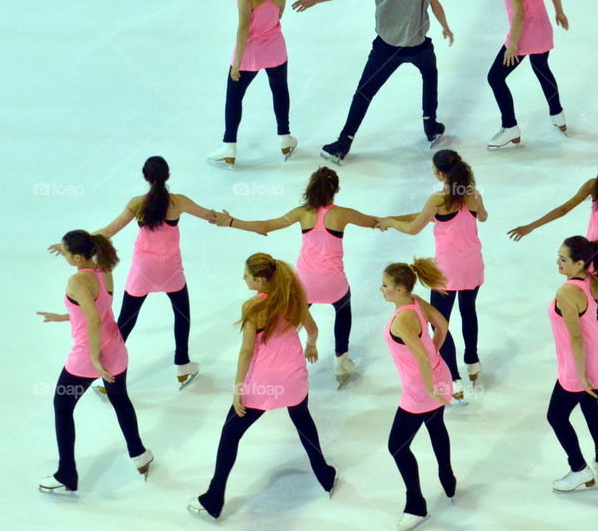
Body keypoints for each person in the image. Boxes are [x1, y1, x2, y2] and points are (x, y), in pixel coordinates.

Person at [188, 254, 337, 520]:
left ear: (259, 280)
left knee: (230, 433)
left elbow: (246, 352)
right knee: (303, 422)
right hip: (294, 378)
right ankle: (325, 475)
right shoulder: (293, 299)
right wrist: (310, 346)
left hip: (263, 384)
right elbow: (313, 330)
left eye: (246, 275)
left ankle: (214, 497)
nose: (243, 278)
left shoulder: (252, 307)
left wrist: (237, 390)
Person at [48, 156, 214, 389]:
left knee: (126, 319)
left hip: (142, 270)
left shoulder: (137, 203)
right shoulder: (179, 202)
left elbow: (108, 230)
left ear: (145, 177)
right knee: (182, 315)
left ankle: (107, 370)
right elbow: (209, 215)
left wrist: (72, 245)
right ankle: (182, 365)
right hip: (170, 269)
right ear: (168, 175)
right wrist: (225, 218)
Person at [291, 0, 454, 163]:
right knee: (430, 76)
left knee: (364, 93)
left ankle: (344, 142)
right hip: (418, 45)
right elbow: (434, 4)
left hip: (387, 49)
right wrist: (445, 26)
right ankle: (431, 125)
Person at [213, 167, 379, 387]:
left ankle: (280, 354)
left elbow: (265, 226)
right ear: (336, 189)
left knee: (294, 313)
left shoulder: (302, 213)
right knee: (343, 308)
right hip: (333, 284)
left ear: (310, 188)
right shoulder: (343, 214)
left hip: (305, 285)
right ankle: (340, 358)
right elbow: (376, 222)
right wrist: (423, 217)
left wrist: (231, 221)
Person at [508, 139, 598, 375]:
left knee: (594, 296)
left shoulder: (593, 185)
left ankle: (592, 340)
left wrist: (531, 226)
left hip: (595, 252)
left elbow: (563, 209)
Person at [38, 230, 153, 493]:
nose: (64, 255)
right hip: (116, 350)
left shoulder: (77, 281)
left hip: (89, 356)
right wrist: (67, 315)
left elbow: (93, 319)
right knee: (119, 399)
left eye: (66, 252)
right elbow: (100, 307)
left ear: (77, 256)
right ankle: (139, 454)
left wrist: (93, 359)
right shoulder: (104, 268)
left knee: (62, 406)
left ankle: (66, 473)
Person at [378, 150, 487, 399]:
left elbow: (415, 227)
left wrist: (391, 222)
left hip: (447, 271)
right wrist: (478, 205)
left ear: (439, 173)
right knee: (468, 310)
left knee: (440, 321)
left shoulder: (438, 200)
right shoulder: (472, 195)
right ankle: (472, 360)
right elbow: (483, 216)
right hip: (472, 264)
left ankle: (455, 378)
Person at [547, 236, 598, 492]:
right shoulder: (590, 281)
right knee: (591, 407)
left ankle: (579, 469)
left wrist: (581, 376)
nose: (558, 262)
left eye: (563, 259)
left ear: (580, 262)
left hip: (579, 364)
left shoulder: (567, 291)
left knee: (556, 416)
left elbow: (576, 337)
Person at [380, 259, 456, 531]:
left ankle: (416, 505)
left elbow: (422, 358)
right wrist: (435, 361)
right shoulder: (415, 300)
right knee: (436, 426)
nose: (382, 289)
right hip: (441, 377)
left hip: (421, 389)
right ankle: (448, 480)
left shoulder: (401, 319)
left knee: (397, 446)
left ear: (400, 288)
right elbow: (443, 326)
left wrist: (428, 386)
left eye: (386, 286)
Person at [208, 0, 298, 167]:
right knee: (279, 91)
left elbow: (243, 28)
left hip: (250, 53)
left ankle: (229, 146)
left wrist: (236, 63)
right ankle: (285, 138)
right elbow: (279, 15)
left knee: (234, 97)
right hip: (276, 49)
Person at [486, 0, 569, 149]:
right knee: (541, 66)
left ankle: (510, 127)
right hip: (542, 30)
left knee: (495, 78)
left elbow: (520, 14)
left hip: (524, 35)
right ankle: (557, 114)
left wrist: (513, 45)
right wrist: (559, 12)